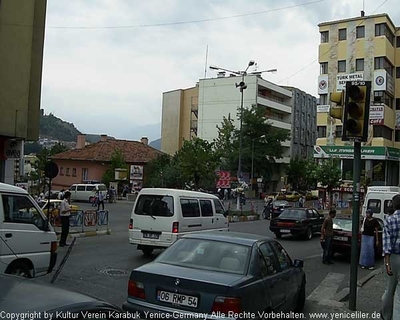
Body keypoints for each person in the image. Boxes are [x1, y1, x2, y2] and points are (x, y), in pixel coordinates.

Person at [381, 194, 400, 320]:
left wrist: (387, 264)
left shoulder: (389, 220)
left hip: (394, 258)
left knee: (390, 289)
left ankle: (386, 315)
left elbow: (387, 245)